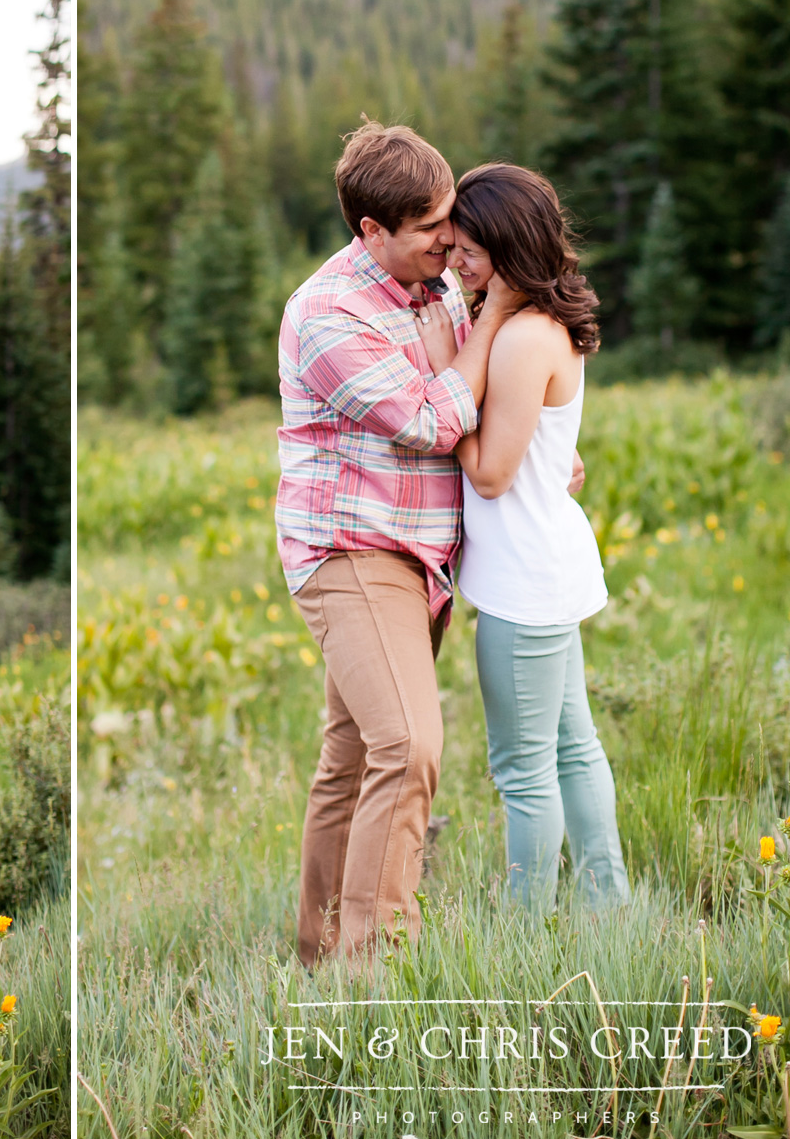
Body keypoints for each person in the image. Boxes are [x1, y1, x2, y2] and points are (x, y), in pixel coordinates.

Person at [275, 118, 527, 968]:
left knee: (350, 756)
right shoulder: (326, 313)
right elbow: (425, 419)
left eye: (448, 215)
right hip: (354, 550)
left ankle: (318, 956)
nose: (450, 239)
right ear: (370, 231)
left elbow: (469, 403)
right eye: (429, 228)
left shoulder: (433, 287)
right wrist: (491, 319)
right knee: (409, 747)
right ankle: (375, 967)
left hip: (419, 555)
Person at [430, 162, 629, 910]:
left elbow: (488, 475)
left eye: (469, 253)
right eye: (452, 248)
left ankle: (525, 931)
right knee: (574, 749)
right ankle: (610, 909)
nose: (456, 263)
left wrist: (437, 388)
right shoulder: (542, 325)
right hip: (547, 566)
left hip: (524, 582)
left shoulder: (518, 339)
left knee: (523, 769)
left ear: (509, 250)